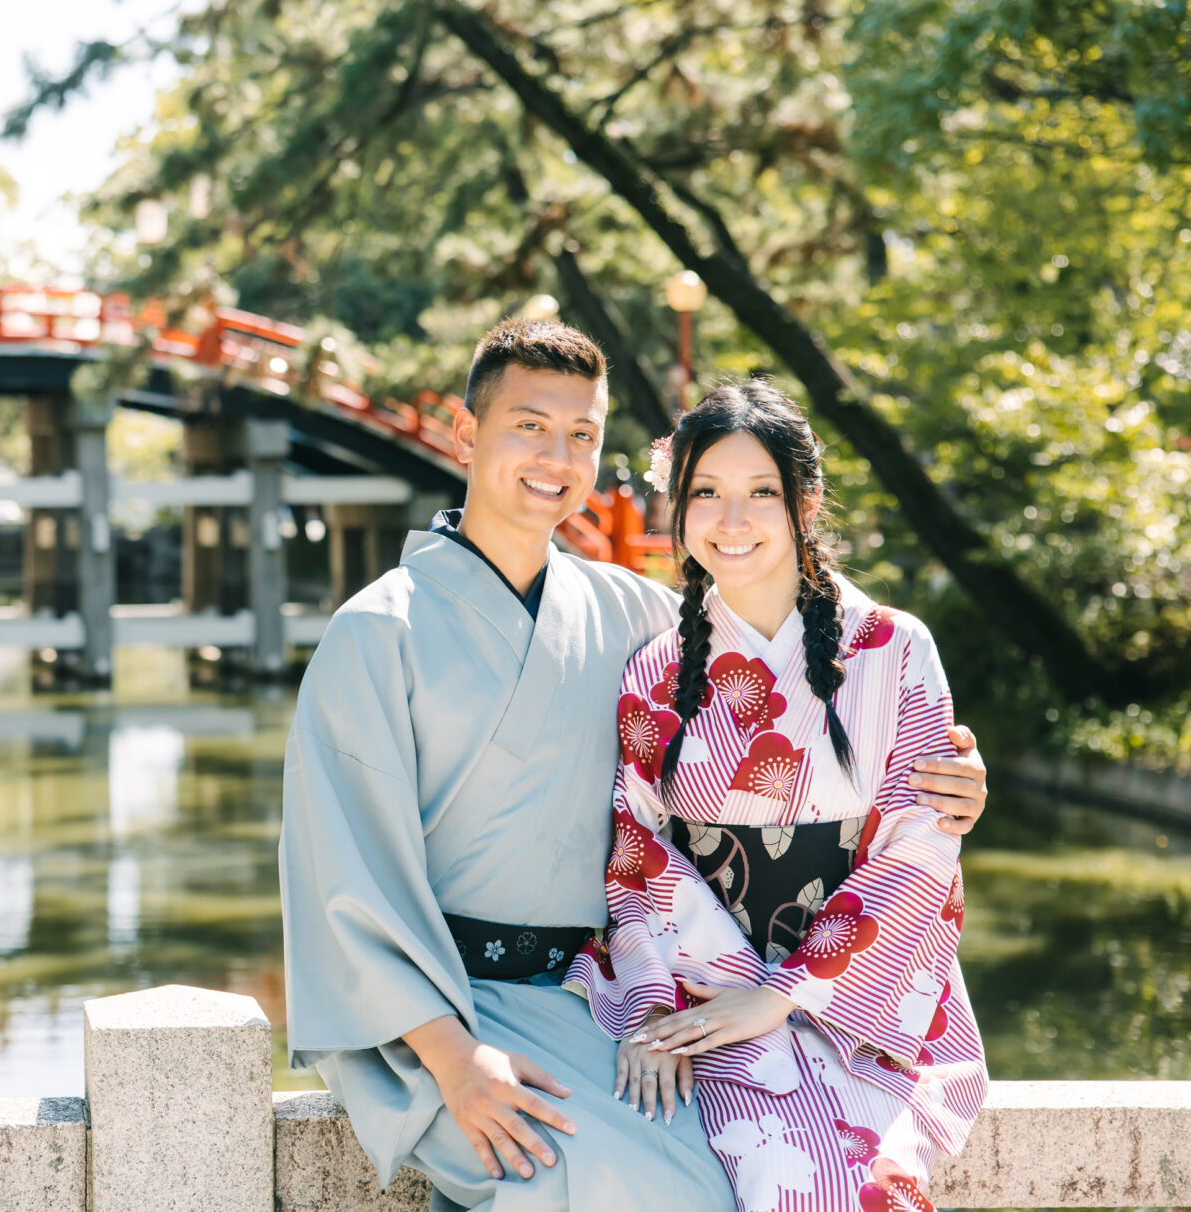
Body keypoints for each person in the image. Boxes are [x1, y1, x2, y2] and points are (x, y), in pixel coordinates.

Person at [278, 319, 989, 1212]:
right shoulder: (375, 633)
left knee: (708, 1173)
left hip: (586, 995)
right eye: (528, 425)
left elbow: (771, 636)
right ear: (465, 435)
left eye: (582, 434)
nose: (557, 455)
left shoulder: (626, 612)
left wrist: (952, 774)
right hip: (433, 1013)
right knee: (617, 1183)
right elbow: (339, 878)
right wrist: (457, 1061)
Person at [566, 380, 985, 1212]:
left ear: (807, 500)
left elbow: (921, 843)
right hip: (707, 986)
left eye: (762, 492)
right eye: (706, 494)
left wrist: (788, 991)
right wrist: (670, 1008)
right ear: (677, 507)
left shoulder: (896, 648)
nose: (732, 520)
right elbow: (639, 854)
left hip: (865, 1002)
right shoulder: (654, 674)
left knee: (852, 1180)